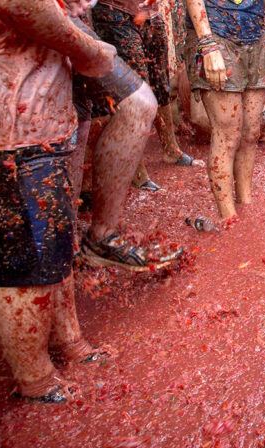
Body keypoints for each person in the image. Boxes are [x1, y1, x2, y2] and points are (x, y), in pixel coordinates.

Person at [0, 0, 116, 402]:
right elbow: (31, 10)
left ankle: (70, 342)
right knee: (25, 267)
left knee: (55, 250)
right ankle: (35, 379)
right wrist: (93, 51)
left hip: (35, 129)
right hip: (1, 135)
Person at [70, 19, 184, 271]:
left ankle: (81, 241)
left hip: (73, 18)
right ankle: (87, 238)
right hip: (54, 21)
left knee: (80, 115)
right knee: (132, 104)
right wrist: (85, 45)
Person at [184, 0, 265, 221]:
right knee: (227, 133)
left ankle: (245, 203)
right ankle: (229, 218)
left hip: (255, 35)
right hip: (216, 35)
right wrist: (207, 44)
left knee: (251, 131)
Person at [90, 0, 204, 199]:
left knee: (161, 83)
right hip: (115, 11)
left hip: (152, 13)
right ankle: (136, 169)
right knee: (135, 90)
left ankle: (171, 150)